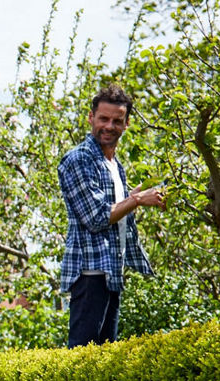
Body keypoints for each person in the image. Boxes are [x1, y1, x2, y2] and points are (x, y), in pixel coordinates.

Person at [58, 83, 167, 348]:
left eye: (117, 121)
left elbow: (115, 209)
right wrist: (138, 200)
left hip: (111, 273)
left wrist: (137, 195)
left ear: (127, 124)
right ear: (91, 118)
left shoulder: (114, 165)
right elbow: (96, 218)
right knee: (82, 359)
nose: (109, 126)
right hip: (89, 274)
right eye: (103, 119)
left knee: (106, 358)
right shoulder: (78, 159)